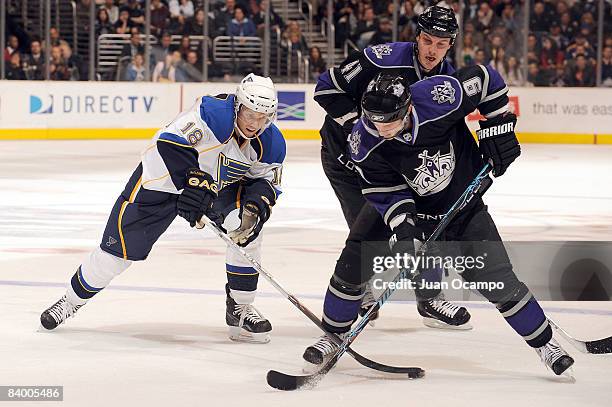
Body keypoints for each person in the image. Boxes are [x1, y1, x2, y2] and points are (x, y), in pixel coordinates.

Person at [304, 66, 575, 378]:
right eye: (374, 120)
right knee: (354, 259)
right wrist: (405, 231)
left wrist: (499, 125)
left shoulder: (438, 97)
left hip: (459, 205)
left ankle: (544, 344)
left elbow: (486, 79)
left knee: (498, 278)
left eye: (389, 120)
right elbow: (386, 192)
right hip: (410, 205)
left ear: (407, 108)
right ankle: (333, 336)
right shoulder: (363, 141)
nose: (381, 128)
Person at [40, 74, 285, 344]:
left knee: (247, 230)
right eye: (250, 115)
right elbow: (169, 142)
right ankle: (69, 302)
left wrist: (254, 206)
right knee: (117, 254)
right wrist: (193, 183)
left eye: (263, 118)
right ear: (238, 106)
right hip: (163, 179)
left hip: (213, 188)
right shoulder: (212, 114)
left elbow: (264, 182)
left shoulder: (272, 144)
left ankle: (239, 307)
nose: (254, 124)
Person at [313, 5, 470, 331]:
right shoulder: (381, 58)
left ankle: (430, 297)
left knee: (431, 215)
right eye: (428, 41)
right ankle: (362, 288)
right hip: (345, 158)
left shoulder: (447, 80)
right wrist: (359, 128)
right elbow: (326, 87)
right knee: (369, 233)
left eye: (441, 44)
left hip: (395, 164)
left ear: (451, 44)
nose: (432, 50)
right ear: (417, 36)